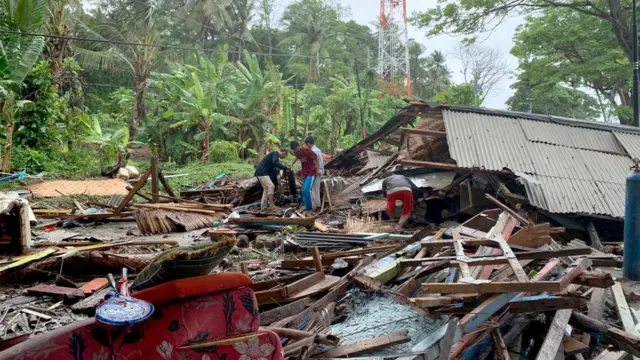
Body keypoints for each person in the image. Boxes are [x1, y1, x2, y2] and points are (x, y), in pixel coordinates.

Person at [290, 141, 318, 211]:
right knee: (302, 191)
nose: (296, 151)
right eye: (294, 150)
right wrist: (291, 164)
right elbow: (297, 157)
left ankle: (309, 209)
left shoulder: (306, 150)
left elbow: (316, 157)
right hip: (305, 172)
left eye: (297, 149)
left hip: (311, 171)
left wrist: (318, 169)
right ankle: (304, 205)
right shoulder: (296, 152)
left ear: (299, 146)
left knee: (306, 190)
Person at [304, 136, 323, 209]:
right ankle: (317, 204)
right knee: (316, 188)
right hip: (319, 170)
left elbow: (315, 162)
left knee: (312, 188)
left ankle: (314, 206)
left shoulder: (313, 151)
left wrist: (317, 170)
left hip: (315, 171)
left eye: (306, 144)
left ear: (308, 143)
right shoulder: (318, 149)